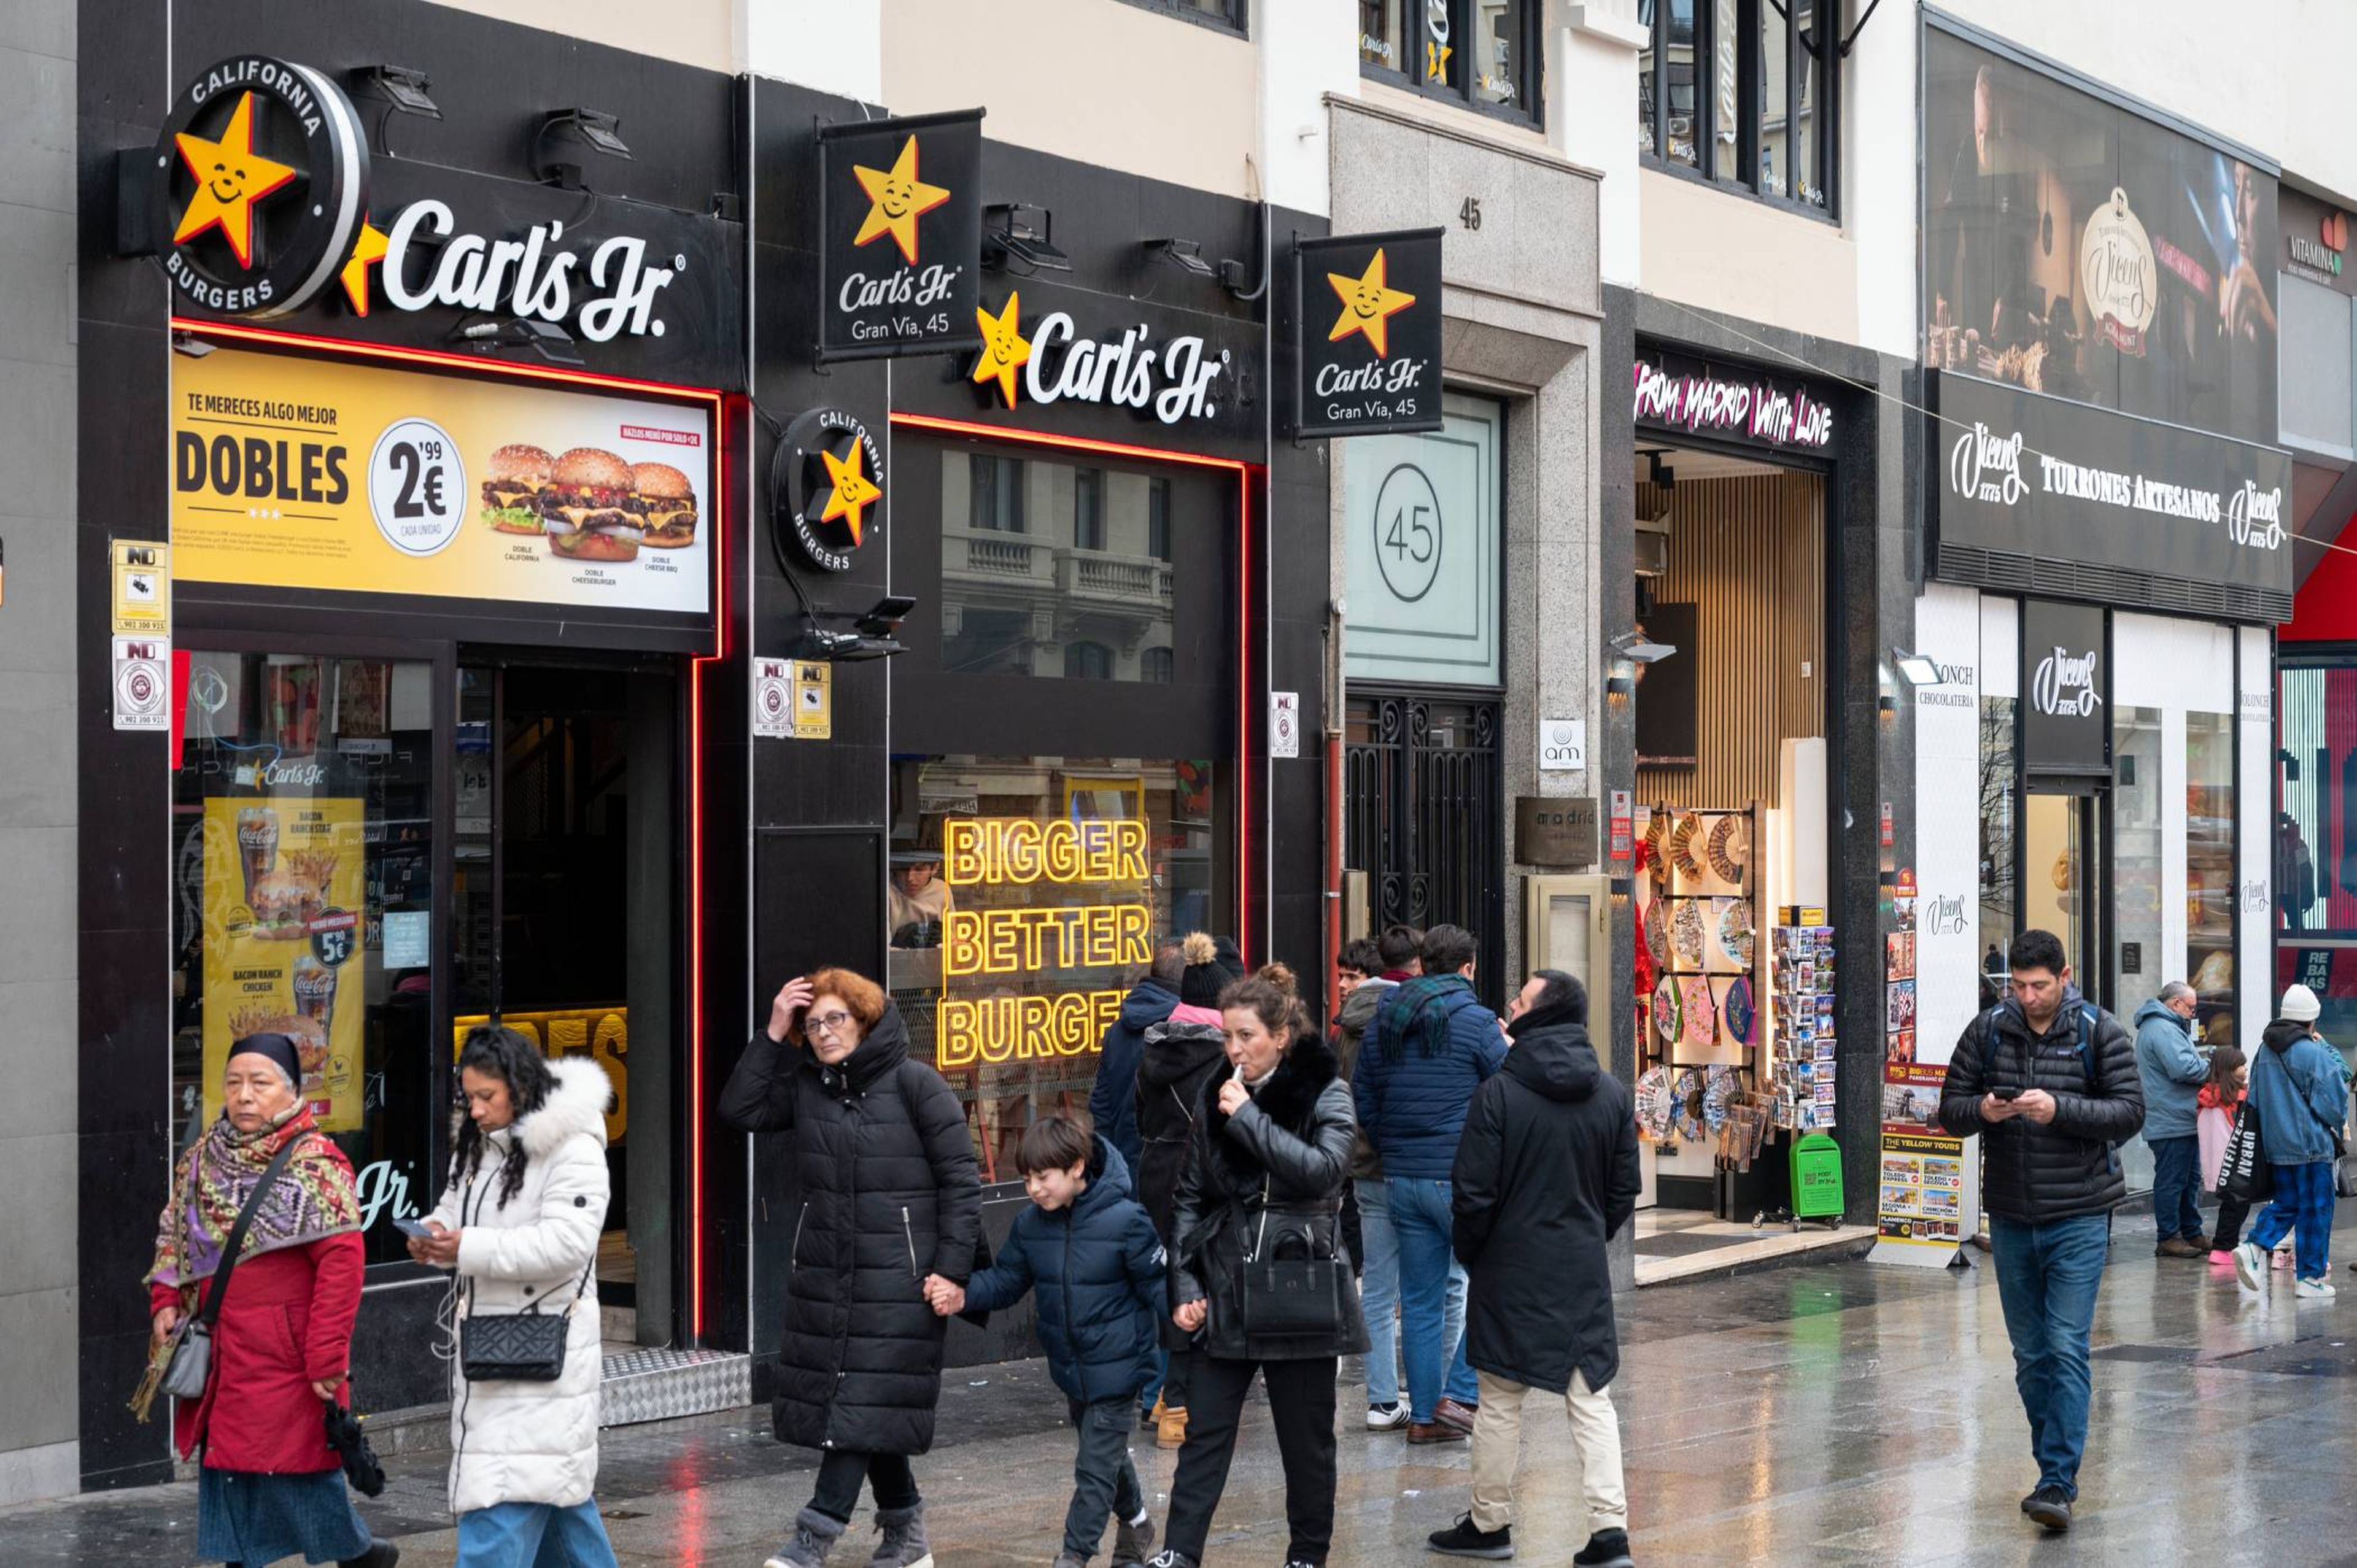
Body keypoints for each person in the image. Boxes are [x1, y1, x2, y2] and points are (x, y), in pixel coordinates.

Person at [719, 968, 982, 1568]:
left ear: (863, 1018)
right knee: (867, 1408)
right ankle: (907, 1535)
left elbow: (961, 1183)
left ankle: (811, 1539)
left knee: (859, 1401)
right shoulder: (811, 1087)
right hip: (829, 1272)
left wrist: (951, 1269)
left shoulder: (917, 1084)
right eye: (812, 1025)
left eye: (835, 1018)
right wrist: (773, 1030)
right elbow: (740, 1107)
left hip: (903, 1278)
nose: (823, 1032)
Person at [142, 1033, 395, 1568]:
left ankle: (357, 1553)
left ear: (292, 1091)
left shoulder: (316, 1164)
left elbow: (342, 1265)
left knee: (296, 1471)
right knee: (229, 1467)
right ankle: (317, 1556)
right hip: (223, 1352)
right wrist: (165, 1299)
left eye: (261, 1083)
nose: (244, 1096)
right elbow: (175, 1235)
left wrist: (327, 1355)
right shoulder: (204, 1159)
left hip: (287, 1356)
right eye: (234, 1083)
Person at [1147, 963, 1366, 1568]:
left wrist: (1248, 1118)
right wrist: (1185, 1281)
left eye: (1245, 1035)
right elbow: (1190, 1193)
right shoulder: (1215, 1089)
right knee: (1206, 1429)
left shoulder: (1326, 1089)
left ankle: (1306, 1554)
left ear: (1280, 1035)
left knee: (1306, 1439)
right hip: (1227, 1280)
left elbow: (1324, 1170)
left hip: (1300, 1277)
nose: (1233, 1048)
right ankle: (1178, 1551)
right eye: (1226, 1035)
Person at [1429, 971, 1639, 1567]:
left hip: (1508, 1267)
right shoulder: (1611, 1094)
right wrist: (1584, 1236)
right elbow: (1623, 1191)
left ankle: (1489, 1522)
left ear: (1536, 1017)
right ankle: (1610, 1531)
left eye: (1519, 999)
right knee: (1592, 1398)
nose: (1509, 1005)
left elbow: (1470, 1194)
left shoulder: (1497, 1094)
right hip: (1579, 1268)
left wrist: (1479, 1252)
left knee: (1498, 1399)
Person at [1937, 928, 2143, 1534]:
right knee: (2030, 1353)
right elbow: (1950, 1109)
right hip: (2009, 1213)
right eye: (2019, 986)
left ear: (2065, 974)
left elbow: (2130, 1113)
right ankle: (2051, 1465)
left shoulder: (2098, 1031)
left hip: (2079, 1212)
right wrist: (1985, 1110)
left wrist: (2060, 1108)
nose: (2028, 997)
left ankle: (2057, 1479)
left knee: (2065, 1343)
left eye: (2039, 985)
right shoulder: (1987, 1029)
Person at [409, 1027, 617, 1567]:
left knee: (500, 1496)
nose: (475, 1110)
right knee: (550, 1491)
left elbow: (569, 1243)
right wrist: (434, 1232)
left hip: (542, 1354)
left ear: (520, 1087)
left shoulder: (572, 1144)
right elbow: (456, 1203)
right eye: (468, 1097)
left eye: (487, 1096)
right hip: (491, 1349)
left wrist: (468, 1247)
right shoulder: (481, 1142)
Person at [927, 1115, 1165, 1568]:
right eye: (1027, 1178)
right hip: (1072, 1368)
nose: (1034, 1188)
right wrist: (962, 1294)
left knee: (1093, 1469)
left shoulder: (1126, 1220)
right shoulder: (1032, 1225)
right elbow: (1006, 1281)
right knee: (1106, 1456)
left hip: (1121, 1366)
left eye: (1043, 1177)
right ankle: (1136, 1521)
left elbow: (1157, 1283)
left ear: (1077, 1167)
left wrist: (1187, 1313)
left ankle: (1074, 1555)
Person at [1357, 924, 1504, 1444]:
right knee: (1499, 1282)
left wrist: (1394, 1146)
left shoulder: (1384, 1021)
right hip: (1458, 1178)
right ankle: (1458, 1392)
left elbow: (1365, 1099)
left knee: (1418, 1301)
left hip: (1401, 1176)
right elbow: (1508, 1091)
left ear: (1423, 964)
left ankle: (1422, 1418)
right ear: (1467, 968)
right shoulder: (1478, 1021)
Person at [1131, 932, 1233, 1450]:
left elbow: (1140, 1115)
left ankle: (1159, 1398)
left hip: (1157, 1169)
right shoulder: (1226, 1057)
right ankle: (1177, 1404)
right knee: (1199, 1288)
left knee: (1170, 1283)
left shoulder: (1156, 1046)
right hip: (1202, 1176)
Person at [1331, 926, 1415, 1432]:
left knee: (1380, 1287)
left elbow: (1344, 1097)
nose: (1343, 985)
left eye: (1351, 975)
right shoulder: (1411, 1014)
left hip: (1364, 1166)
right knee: (1438, 1286)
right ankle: (1436, 1394)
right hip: (1412, 1163)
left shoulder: (1346, 1029)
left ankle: (1383, 1397)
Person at [2231, 984, 2350, 1299]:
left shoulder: (2264, 1052)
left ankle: (2255, 1247)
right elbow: (2334, 1103)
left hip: (2277, 1145)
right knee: (2317, 1209)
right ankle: (2310, 1278)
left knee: (2289, 1202)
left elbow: (2254, 1097)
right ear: (2312, 1021)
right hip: (2311, 1145)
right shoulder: (2313, 1052)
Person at [1091, 944, 1184, 1176]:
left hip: (1123, 1166)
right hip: (1167, 1173)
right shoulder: (1185, 1030)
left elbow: (1101, 1108)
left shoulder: (1116, 1030)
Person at [2133, 981, 2210, 1258]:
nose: (2193, 1012)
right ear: (2175, 1003)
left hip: (2179, 1117)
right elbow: (2184, 1068)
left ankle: (2191, 1232)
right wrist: (2214, 1068)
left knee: (2189, 1180)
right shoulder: (2162, 1028)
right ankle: (2169, 1236)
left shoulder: (2167, 1026)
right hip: (2170, 1119)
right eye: (2190, 1007)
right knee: (2172, 1181)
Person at [2199, 1045, 2251, 1261]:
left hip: (2214, 1165)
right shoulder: (2238, 1100)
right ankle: (2223, 1249)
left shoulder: (2206, 1097)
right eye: (2241, 1065)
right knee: (2237, 1207)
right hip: (2236, 1164)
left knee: (2231, 1206)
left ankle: (2224, 1246)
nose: (2245, 1069)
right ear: (2230, 1068)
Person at [887, 849, 953, 948]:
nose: (910, 878)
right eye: (904, 869)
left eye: (919, 870)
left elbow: (952, 938)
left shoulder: (942, 890)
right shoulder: (886, 890)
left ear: (934, 868)